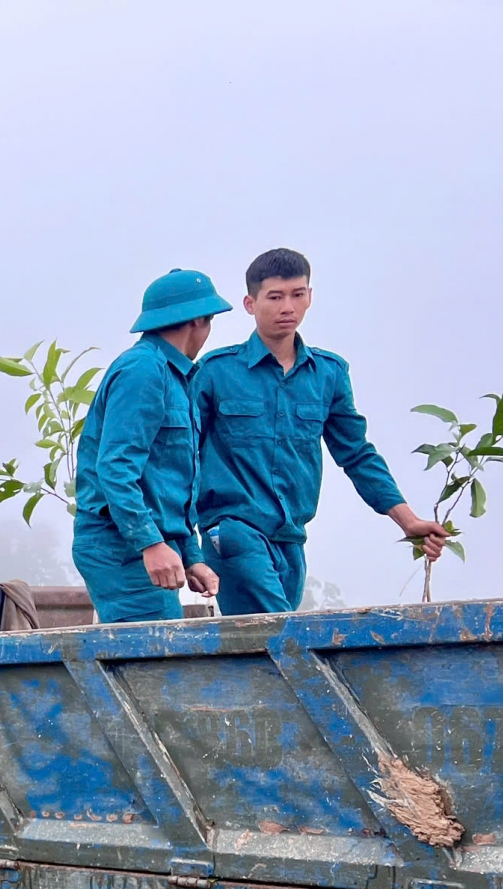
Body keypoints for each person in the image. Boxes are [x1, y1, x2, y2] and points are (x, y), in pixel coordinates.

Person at [194, 248, 448, 613]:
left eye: (298, 295)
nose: (288, 307)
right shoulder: (216, 371)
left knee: (266, 655)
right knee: (284, 635)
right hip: (232, 530)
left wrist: (407, 520)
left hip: (291, 537)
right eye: (275, 297)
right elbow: (182, 453)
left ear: (310, 297)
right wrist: (179, 540)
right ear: (250, 304)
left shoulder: (328, 374)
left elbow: (356, 454)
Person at [72, 268, 230, 622]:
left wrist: (191, 556)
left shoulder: (177, 377)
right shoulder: (143, 371)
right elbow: (115, 468)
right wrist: (150, 544)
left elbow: (166, 487)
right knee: (153, 668)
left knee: (157, 661)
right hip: (120, 546)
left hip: (147, 544)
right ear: (198, 321)